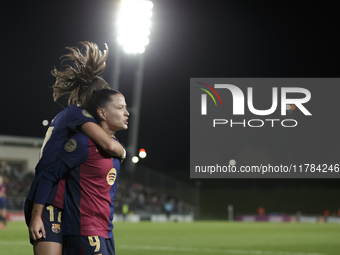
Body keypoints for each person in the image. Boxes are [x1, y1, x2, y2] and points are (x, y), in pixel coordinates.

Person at [25, 42, 125, 255]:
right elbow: (108, 143)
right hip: (48, 198)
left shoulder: (72, 117)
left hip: (61, 200)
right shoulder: (78, 115)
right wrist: (123, 152)